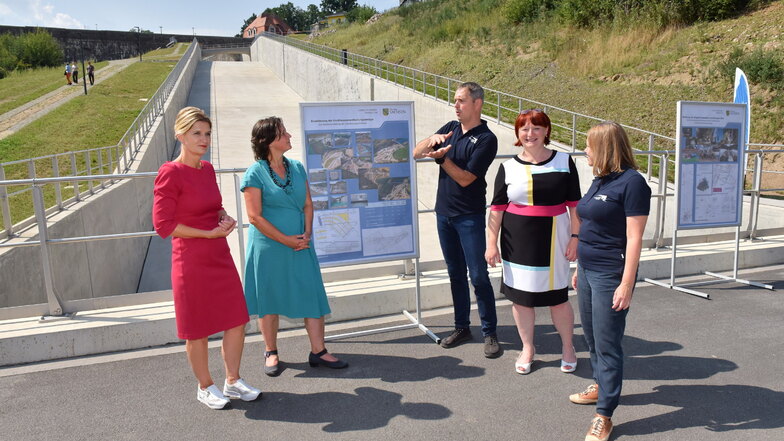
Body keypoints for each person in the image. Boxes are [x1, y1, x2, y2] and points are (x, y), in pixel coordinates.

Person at [153, 106, 261, 410]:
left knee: (237, 319)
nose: (204, 139)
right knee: (197, 329)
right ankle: (205, 387)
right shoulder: (169, 172)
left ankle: (233, 381)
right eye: (196, 133)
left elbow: (214, 206)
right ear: (180, 135)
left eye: (207, 133)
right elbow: (164, 225)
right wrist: (209, 234)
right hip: (190, 260)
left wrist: (223, 218)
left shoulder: (208, 169)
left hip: (218, 255)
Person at [241, 116, 347, 376]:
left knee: (311, 291)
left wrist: (306, 233)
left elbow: (308, 203)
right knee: (270, 297)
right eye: (283, 133)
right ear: (268, 141)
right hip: (270, 247)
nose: (289, 136)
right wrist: (287, 239)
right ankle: (271, 351)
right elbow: (254, 216)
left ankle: (318, 351)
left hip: (301, 243)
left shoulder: (297, 167)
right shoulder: (254, 173)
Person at [569, 121, 651, 441]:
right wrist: (579, 268)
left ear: (605, 147)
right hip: (588, 270)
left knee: (607, 342)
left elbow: (634, 238)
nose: (585, 150)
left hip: (610, 273)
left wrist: (627, 283)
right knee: (591, 337)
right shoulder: (601, 180)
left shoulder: (633, 184)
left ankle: (604, 414)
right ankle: (602, 386)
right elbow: (590, 224)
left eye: (589, 145)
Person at [485, 109, 581, 375]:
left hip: (555, 239)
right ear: (517, 133)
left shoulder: (564, 161)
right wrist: (491, 244)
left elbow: (575, 206)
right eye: (524, 128)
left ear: (546, 131)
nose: (530, 134)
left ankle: (568, 347)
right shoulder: (508, 167)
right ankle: (527, 347)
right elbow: (497, 209)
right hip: (517, 241)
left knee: (558, 298)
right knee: (521, 300)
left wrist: (575, 238)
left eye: (536, 128)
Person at [413, 82, 500, 358]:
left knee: (478, 275)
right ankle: (462, 327)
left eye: (461, 100)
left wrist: (442, 160)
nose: (456, 105)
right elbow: (416, 153)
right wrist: (432, 141)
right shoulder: (450, 126)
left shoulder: (487, 139)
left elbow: (465, 179)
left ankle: (490, 332)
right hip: (444, 215)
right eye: (455, 100)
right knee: (455, 274)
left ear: (477, 104)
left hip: (469, 217)